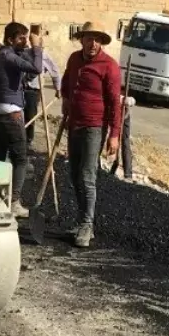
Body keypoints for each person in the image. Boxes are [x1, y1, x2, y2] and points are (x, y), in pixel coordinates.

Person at [60, 20, 123, 248]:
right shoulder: (74, 59)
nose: (93, 43)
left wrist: (114, 135)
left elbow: (115, 104)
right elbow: (66, 81)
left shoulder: (109, 66)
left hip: (94, 127)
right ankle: (81, 221)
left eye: (97, 39)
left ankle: (87, 225)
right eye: (89, 38)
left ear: (101, 42)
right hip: (74, 124)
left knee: (87, 176)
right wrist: (66, 99)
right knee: (74, 175)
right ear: (82, 40)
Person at [0, 22, 44, 217]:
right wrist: (37, 47)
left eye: (27, 38)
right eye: (21, 38)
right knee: (20, 159)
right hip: (11, 114)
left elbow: (24, 70)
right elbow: (36, 68)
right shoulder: (9, 56)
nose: (25, 41)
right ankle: (14, 202)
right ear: (11, 39)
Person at [22, 38, 61, 149]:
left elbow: (55, 72)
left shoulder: (44, 56)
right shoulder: (25, 53)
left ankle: (28, 141)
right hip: (21, 89)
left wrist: (58, 89)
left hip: (33, 91)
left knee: (30, 116)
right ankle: (18, 139)